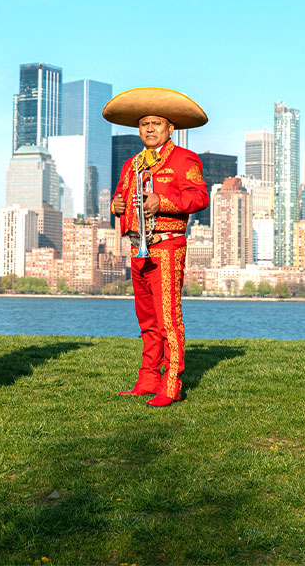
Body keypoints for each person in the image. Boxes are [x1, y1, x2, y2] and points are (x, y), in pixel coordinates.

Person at [104, 87, 210, 407]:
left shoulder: (184, 159)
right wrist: (116, 206)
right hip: (139, 249)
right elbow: (121, 198)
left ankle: (172, 381)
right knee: (147, 321)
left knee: (168, 319)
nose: (149, 129)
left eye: (156, 123)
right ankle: (148, 377)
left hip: (166, 245)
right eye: (144, 124)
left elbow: (200, 198)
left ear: (170, 129)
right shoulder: (131, 163)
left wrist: (161, 202)